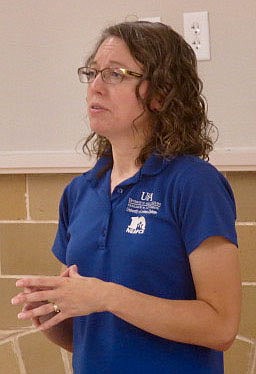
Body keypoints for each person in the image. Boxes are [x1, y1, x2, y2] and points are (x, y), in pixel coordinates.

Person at [12, 21, 241, 373]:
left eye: (116, 74)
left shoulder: (194, 184)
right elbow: (82, 335)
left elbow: (221, 326)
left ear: (161, 94)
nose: (96, 87)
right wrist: (50, 311)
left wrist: (106, 295)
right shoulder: (79, 192)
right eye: (92, 73)